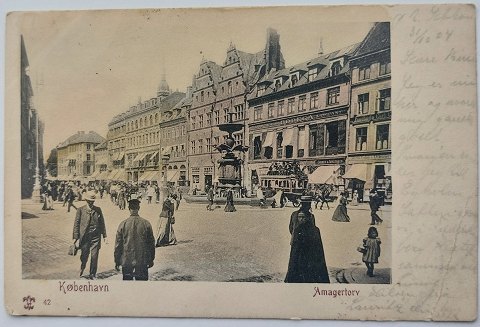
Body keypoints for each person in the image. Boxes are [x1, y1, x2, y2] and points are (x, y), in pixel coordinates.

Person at [285, 196, 329, 283]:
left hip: (295, 242)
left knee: (295, 260)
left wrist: (295, 236)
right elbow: (313, 232)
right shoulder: (311, 216)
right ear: (308, 205)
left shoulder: (294, 214)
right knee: (306, 262)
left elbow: (290, 228)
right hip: (308, 245)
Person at [114, 196, 155, 280]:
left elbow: (118, 245)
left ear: (129, 208)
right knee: (142, 287)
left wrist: (117, 260)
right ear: (139, 208)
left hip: (127, 260)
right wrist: (151, 259)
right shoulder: (146, 223)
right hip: (142, 261)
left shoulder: (123, 224)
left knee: (128, 287)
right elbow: (151, 244)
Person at [72, 191, 107, 279]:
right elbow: (76, 224)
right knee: (84, 255)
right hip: (85, 236)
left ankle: (92, 273)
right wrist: (75, 238)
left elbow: (102, 223)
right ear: (86, 201)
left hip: (96, 236)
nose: (91, 203)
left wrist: (105, 236)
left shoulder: (98, 210)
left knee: (94, 256)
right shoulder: (80, 210)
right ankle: (83, 266)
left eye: (93, 201)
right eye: (90, 201)